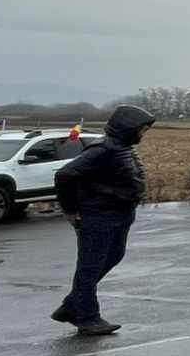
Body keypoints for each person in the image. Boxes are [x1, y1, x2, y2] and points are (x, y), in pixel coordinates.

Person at [50, 105, 156, 336]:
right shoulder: (103, 149)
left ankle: (71, 306)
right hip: (98, 216)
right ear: (128, 128)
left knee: (114, 256)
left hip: (119, 214)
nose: (142, 134)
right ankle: (87, 317)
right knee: (90, 266)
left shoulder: (122, 148)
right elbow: (65, 175)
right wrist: (71, 210)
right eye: (141, 130)